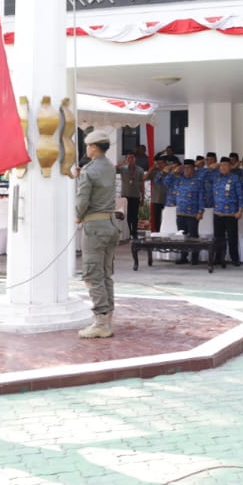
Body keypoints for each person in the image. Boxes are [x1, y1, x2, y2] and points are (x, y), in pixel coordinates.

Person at [74, 129, 118, 339]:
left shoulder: (89, 171)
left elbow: (83, 200)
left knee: (92, 273)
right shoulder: (109, 167)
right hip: (110, 223)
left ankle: (101, 322)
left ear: (93, 147)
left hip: (95, 227)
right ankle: (107, 317)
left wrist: (77, 215)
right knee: (105, 273)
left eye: (88, 146)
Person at [210, 156, 243, 266]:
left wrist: (240, 210)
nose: (223, 167)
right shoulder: (215, 177)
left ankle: (235, 258)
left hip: (231, 213)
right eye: (221, 165)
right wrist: (211, 167)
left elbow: (240, 195)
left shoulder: (235, 178)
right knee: (218, 238)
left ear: (230, 166)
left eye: (225, 165)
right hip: (218, 213)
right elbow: (203, 175)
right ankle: (218, 258)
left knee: (232, 237)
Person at [116, 151, 145, 240]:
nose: (130, 159)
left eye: (132, 158)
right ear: (126, 159)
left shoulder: (140, 170)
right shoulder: (123, 169)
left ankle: (134, 232)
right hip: (125, 196)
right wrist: (122, 163)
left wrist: (142, 196)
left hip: (135, 195)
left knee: (134, 215)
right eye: (128, 158)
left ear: (135, 159)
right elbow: (114, 169)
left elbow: (141, 184)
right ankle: (128, 232)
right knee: (127, 215)